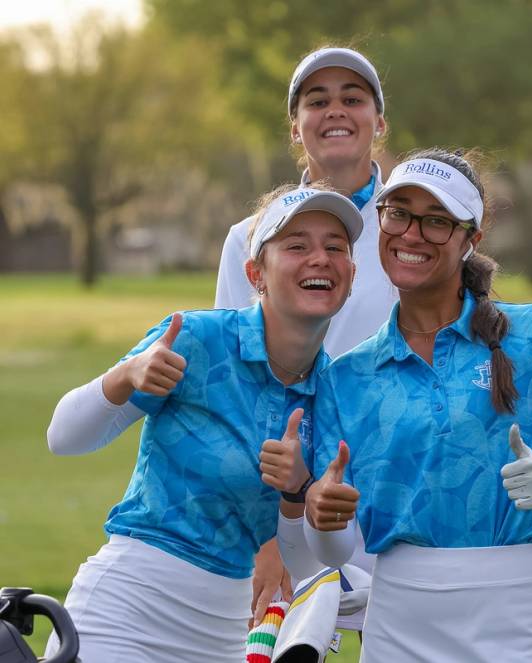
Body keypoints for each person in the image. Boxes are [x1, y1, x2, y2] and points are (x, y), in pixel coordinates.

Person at [270, 149, 532, 662]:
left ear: (471, 239)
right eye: (399, 213)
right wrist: (321, 514)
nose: (411, 234)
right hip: (400, 618)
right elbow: (334, 552)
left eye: (436, 221)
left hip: (519, 613)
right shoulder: (345, 377)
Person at [44, 185, 363, 662]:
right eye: (297, 245)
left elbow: (305, 562)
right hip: (123, 610)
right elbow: (63, 439)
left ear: (351, 273)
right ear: (256, 273)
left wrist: (297, 492)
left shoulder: (336, 394)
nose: (319, 258)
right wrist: (125, 376)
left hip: (224, 632)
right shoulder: (195, 339)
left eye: (334, 247)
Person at [214, 45, 397, 628]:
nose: (335, 111)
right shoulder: (248, 237)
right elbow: (237, 392)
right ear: (296, 128)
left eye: (353, 98)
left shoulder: (417, 225)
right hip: (284, 503)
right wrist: (269, 535)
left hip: (392, 497)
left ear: (379, 121)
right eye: (316, 101)